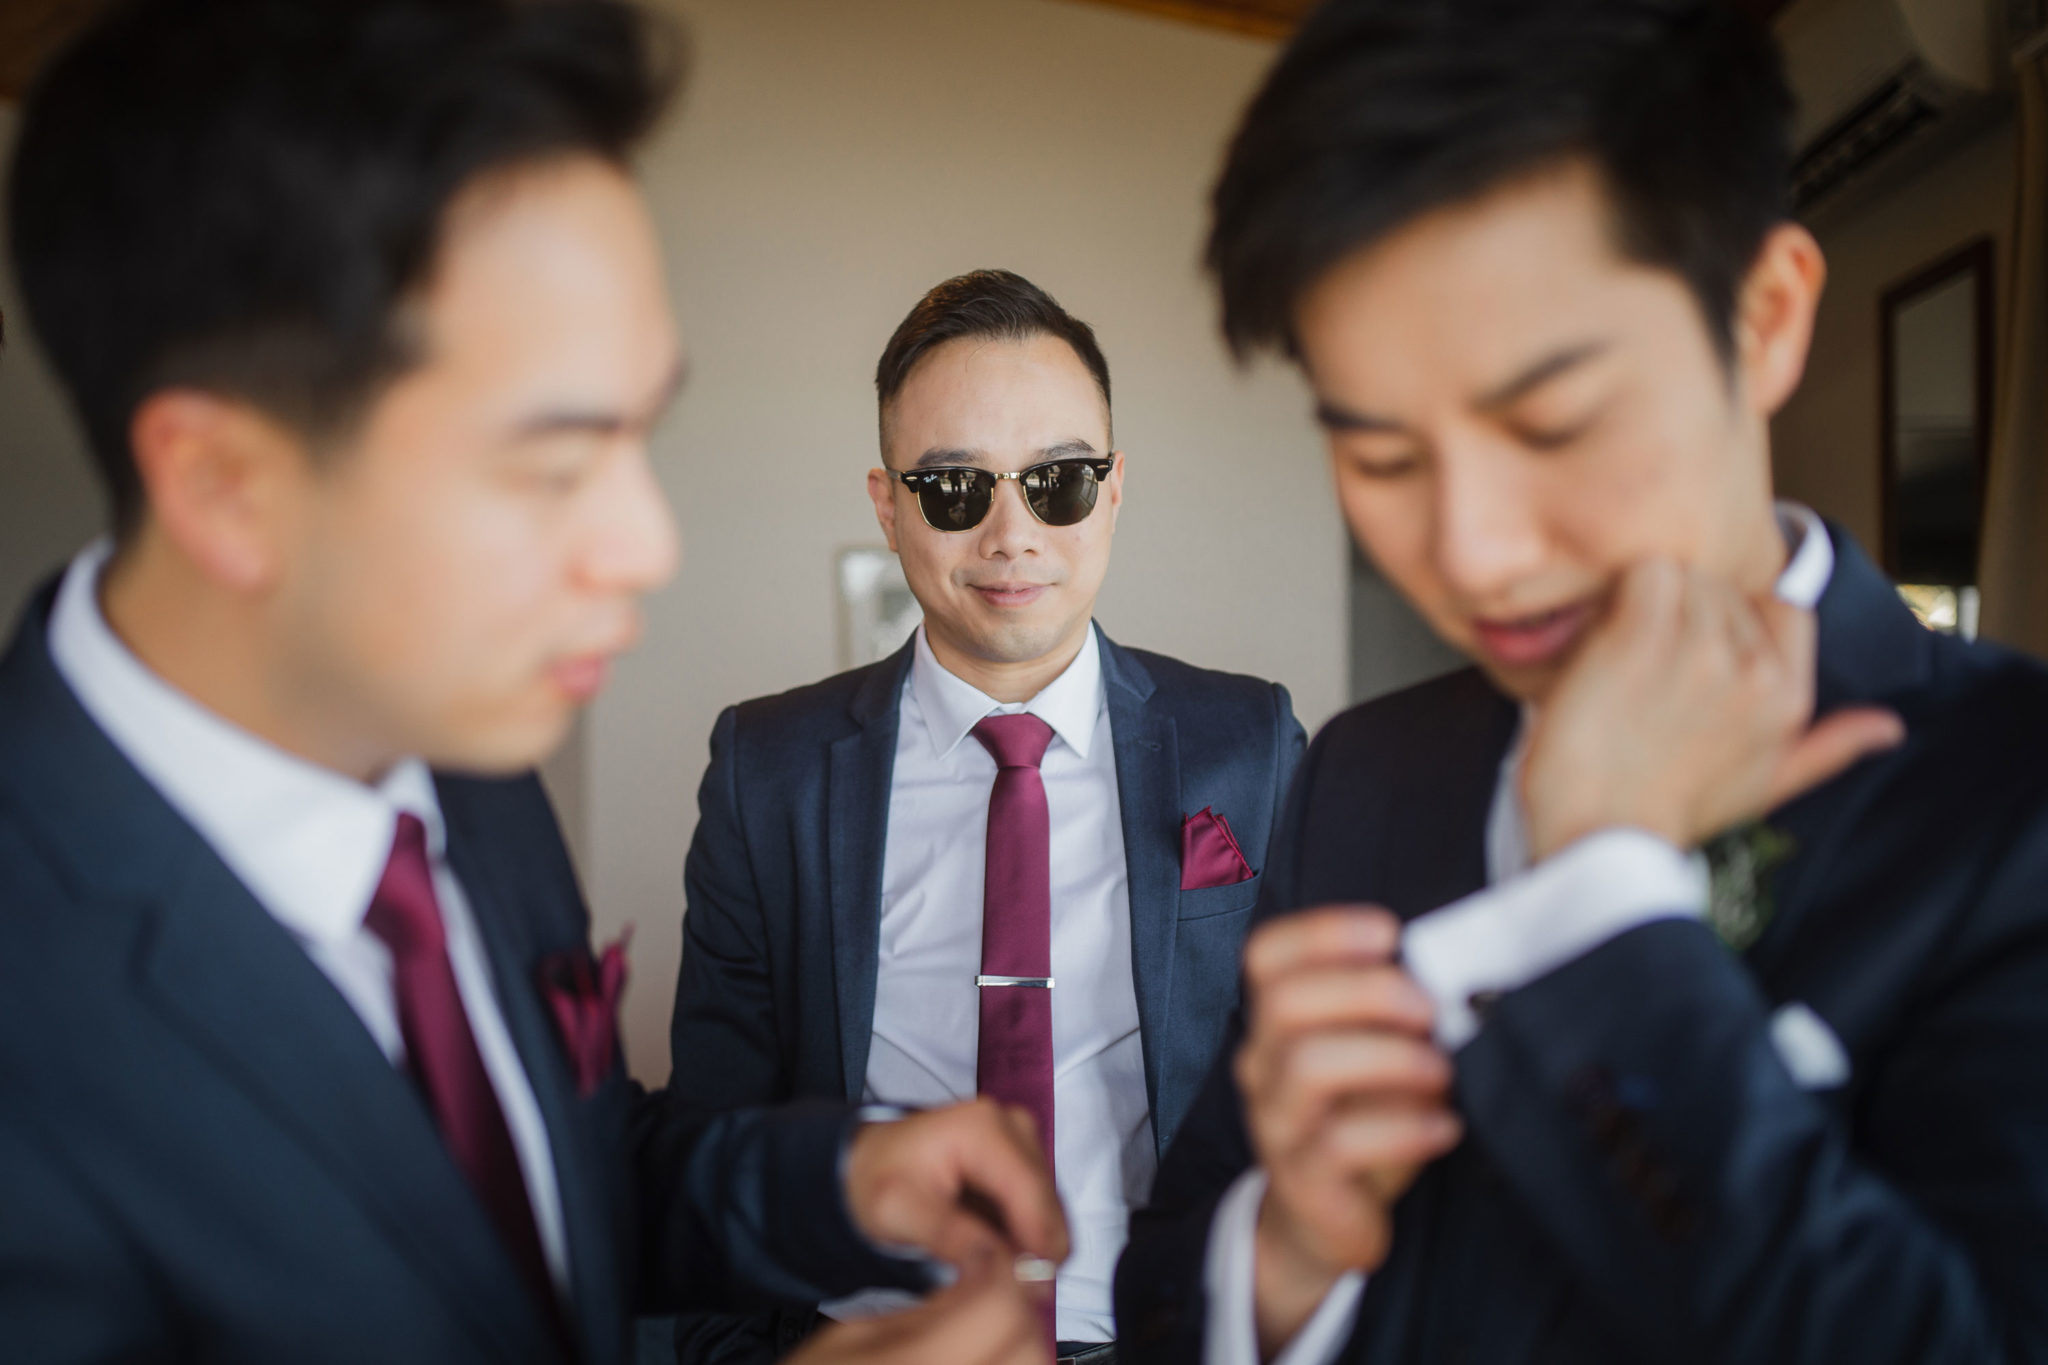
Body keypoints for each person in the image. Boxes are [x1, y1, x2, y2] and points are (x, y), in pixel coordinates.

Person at [0, 4, 1066, 1363]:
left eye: (643, 432)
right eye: (555, 462)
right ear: (225, 485)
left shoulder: (473, 785)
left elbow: (545, 1168)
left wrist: (836, 1182)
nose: (648, 544)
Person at [1115, 1, 2048, 1362]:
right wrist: (1287, 1259)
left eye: (1554, 422)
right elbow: (1166, 1279)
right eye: (1381, 460)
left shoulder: (2012, 795)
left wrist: (1598, 908)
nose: (1477, 555)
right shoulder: (1364, 775)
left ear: (1767, 318)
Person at [667, 269, 1306, 1363]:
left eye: (1056, 481)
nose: (1011, 536)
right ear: (888, 503)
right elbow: (707, 1141)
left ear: (1111, 490)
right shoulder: (763, 770)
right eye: (956, 491)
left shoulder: (1247, 742)